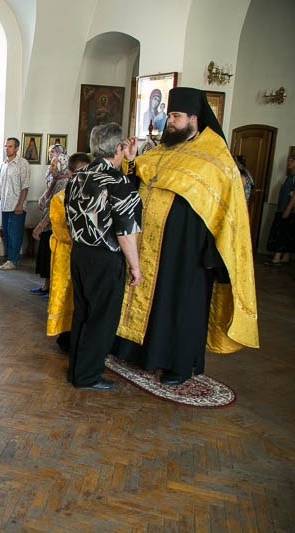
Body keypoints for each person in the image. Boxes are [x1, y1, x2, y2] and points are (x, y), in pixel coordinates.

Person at [116, 87, 259, 385]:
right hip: (149, 246)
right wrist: (130, 161)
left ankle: (179, 366)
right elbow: (135, 183)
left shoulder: (214, 158)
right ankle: (141, 354)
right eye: (169, 115)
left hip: (187, 251)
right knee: (154, 301)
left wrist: (212, 254)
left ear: (194, 118)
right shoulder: (160, 152)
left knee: (180, 307)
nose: (169, 121)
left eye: (176, 116)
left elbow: (227, 211)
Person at [65, 124, 142, 390]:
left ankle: (76, 371)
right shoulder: (117, 181)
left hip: (79, 253)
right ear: (118, 147)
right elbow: (125, 230)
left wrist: (129, 162)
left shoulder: (79, 174)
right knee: (102, 320)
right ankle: (88, 376)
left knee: (83, 314)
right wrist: (135, 266)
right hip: (105, 257)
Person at [47, 152, 91, 352]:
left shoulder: (93, 194)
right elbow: (61, 230)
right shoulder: (60, 198)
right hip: (66, 255)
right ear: (71, 173)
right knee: (66, 294)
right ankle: (66, 336)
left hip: (86, 255)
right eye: (80, 172)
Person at [32, 144, 70, 297]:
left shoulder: (64, 182)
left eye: (54, 165)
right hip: (49, 226)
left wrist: (40, 226)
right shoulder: (56, 180)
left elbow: (56, 209)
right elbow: (48, 197)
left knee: (53, 258)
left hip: (56, 227)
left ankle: (53, 289)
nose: (51, 168)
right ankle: (46, 286)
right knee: (46, 257)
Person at [0, 137, 29, 270]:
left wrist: (20, 204)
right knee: (7, 234)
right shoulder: (3, 164)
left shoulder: (22, 163)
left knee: (15, 234)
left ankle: (12, 260)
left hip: (16, 205)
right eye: (6, 146)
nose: (7, 149)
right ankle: (11, 259)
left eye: (10, 146)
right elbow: (0, 187)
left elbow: (25, 186)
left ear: (16, 148)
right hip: (5, 205)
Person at [265, 154, 295, 266]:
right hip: (283, 208)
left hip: (288, 210)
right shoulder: (290, 176)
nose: (288, 163)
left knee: (282, 233)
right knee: (286, 233)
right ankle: (285, 257)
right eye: (288, 161)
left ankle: (277, 258)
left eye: (291, 161)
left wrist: (288, 209)